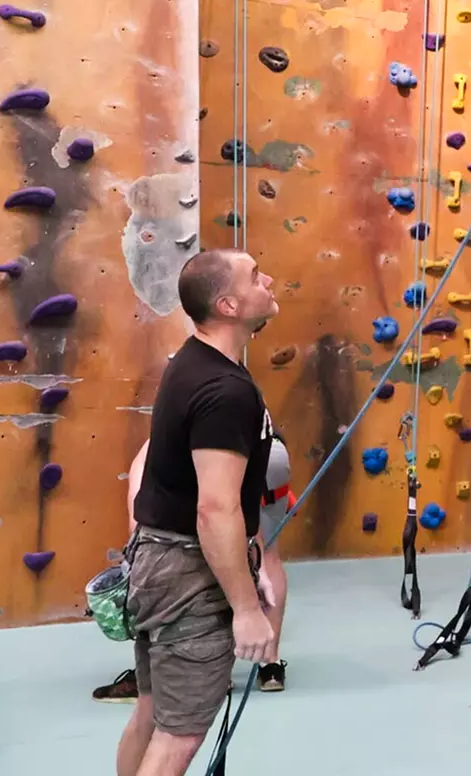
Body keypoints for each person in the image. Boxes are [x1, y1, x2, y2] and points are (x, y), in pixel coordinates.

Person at [114, 249, 280, 776]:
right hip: (188, 574)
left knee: (153, 711)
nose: (268, 278)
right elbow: (214, 509)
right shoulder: (224, 391)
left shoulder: (191, 361)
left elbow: (177, 479)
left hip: (159, 560)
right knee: (180, 735)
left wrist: (249, 563)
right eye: (256, 276)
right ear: (229, 305)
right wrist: (247, 608)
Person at [94, 435, 294, 704]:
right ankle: (270, 666)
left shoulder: (150, 458)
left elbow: (141, 528)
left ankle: (216, 675)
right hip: (270, 451)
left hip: (227, 459)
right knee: (267, 555)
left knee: (211, 559)